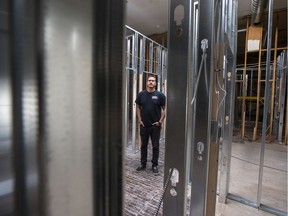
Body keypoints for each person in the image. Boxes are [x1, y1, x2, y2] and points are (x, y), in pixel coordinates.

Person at [135, 75, 166, 175]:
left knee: (155, 146)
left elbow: (165, 109)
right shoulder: (141, 95)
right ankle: (143, 164)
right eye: (149, 80)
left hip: (155, 126)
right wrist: (139, 120)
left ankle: (154, 165)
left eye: (153, 81)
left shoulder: (160, 95)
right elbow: (138, 107)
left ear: (155, 83)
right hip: (144, 125)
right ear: (147, 82)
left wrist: (160, 121)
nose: (151, 82)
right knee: (143, 145)